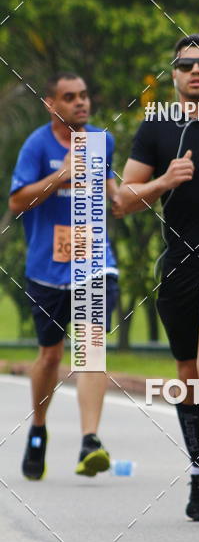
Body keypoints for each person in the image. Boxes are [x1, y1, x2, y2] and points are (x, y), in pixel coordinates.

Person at [118, 34, 199, 521]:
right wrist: (164, 181)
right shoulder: (156, 128)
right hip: (177, 266)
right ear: (173, 75)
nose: (196, 71)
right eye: (185, 64)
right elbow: (124, 199)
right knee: (187, 376)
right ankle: (197, 473)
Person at [9, 72, 120, 479]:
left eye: (85, 96)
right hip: (46, 270)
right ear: (52, 104)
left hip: (94, 262)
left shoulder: (101, 142)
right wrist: (61, 175)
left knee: (91, 347)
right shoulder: (37, 145)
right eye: (70, 97)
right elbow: (18, 201)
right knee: (51, 355)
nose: (81, 103)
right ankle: (38, 429)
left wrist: (161, 183)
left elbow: (113, 195)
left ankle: (90, 440)